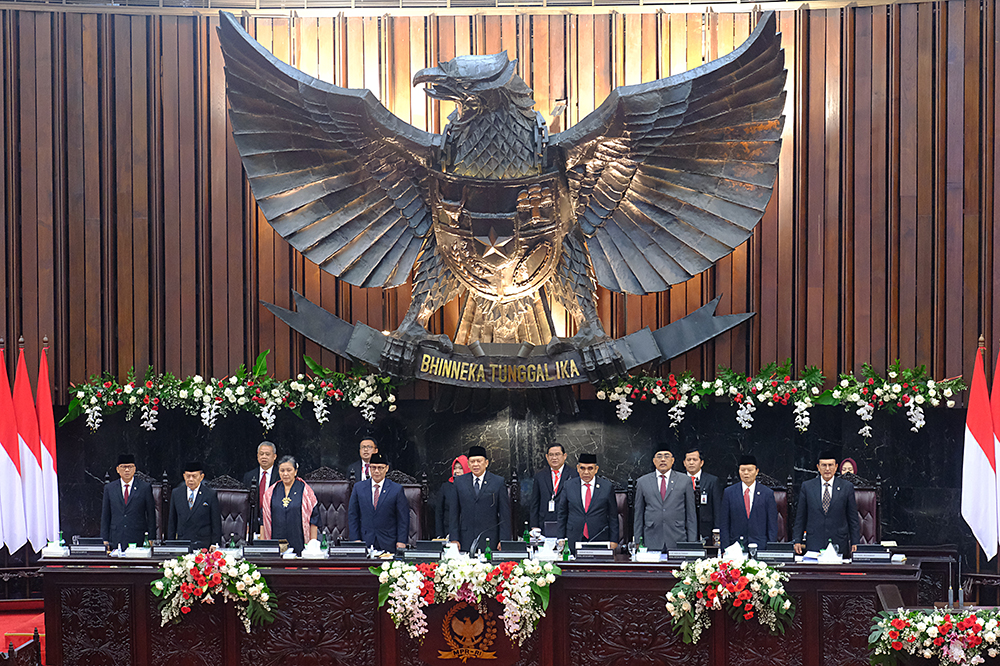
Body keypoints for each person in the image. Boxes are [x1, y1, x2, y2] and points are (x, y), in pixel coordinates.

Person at [793, 452, 861, 555]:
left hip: (839, 542)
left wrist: (855, 542)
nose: (827, 469)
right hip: (814, 543)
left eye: (830, 465)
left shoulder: (847, 487)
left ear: (836, 467)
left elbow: (853, 518)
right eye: (824, 465)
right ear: (818, 467)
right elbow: (800, 517)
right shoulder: (807, 487)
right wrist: (797, 540)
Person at [449, 445, 511, 552]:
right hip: (465, 538)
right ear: (468, 464)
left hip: (491, 539)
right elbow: (454, 513)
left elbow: (504, 514)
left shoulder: (498, 482)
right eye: (472, 462)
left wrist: (504, 539)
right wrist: (454, 538)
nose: (475, 464)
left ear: (486, 463)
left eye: (479, 461)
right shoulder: (459, 482)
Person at [633, 447, 696, 551]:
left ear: (673, 460)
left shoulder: (684, 480)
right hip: (651, 539)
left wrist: (692, 542)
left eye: (666, 456)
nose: (663, 459)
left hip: (677, 538)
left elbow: (691, 515)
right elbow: (638, 515)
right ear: (654, 461)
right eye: (659, 456)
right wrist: (637, 541)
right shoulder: (642, 482)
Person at [348, 452, 410, 551]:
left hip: (389, 542)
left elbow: (403, 518)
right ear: (369, 468)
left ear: (387, 468)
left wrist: (402, 541)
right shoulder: (358, 487)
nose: (376, 471)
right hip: (365, 541)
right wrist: (355, 539)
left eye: (380, 468)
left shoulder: (396, 489)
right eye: (373, 467)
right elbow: (353, 515)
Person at [558, 453, 619, 551]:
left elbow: (613, 516)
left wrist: (614, 540)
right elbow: (562, 514)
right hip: (574, 536)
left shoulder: (607, 487)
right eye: (582, 468)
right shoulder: (568, 486)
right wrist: (560, 537)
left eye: (590, 468)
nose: (586, 472)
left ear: (596, 469)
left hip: (599, 536)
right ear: (578, 468)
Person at [262, 456, 321, 554]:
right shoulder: (271, 492)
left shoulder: (306, 491)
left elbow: (314, 521)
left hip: (300, 542)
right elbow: (264, 520)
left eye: (289, 470)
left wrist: (312, 547)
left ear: (295, 471)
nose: (285, 474)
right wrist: (264, 546)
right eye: (282, 470)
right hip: (277, 541)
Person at [719, 454, 778, 549]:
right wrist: (725, 548)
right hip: (736, 547)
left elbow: (772, 525)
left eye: (750, 470)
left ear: (757, 471)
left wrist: (771, 548)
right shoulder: (729, 492)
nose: (746, 473)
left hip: (761, 546)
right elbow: (724, 523)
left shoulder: (767, 493)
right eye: (742, 470)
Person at [100, 454, 156, 551]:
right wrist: (104, 538)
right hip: (116, 536)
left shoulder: (144, 488)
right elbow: (106, 515)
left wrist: (151, 537)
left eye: (130, 467)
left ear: (134, 469)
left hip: (138, 536)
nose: (127, 470)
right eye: (123, 467)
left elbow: (151, 514)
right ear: (117, 469)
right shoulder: (110, 488)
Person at [166, 461, 222, 548]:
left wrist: (215, 543)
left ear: (201, 477)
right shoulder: (176, 493)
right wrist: (170, 543)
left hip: (203, 543)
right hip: (182, 542)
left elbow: (216, 522)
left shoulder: (210, 494)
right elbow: (172, 521)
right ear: (184, 476)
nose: (191, 479)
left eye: (194, 476)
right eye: (188, 476)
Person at [529, 443, 578, 537]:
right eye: (551, 455)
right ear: (547, 457)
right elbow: (535, 503)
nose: (554, 458)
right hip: (544, 523)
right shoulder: (540, 476)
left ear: (564, 456)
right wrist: (534, 526)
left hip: (568, 523)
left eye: (557, 454)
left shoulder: (574, 475)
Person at [683, 447, 724, 542]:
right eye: (688, 460)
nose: (691, 463)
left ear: (701, 462)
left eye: (695, 460)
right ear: (684, 463)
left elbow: (717, 507)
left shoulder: (712, 481)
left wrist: (717, 529)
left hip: (706, 528)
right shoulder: (678, 480)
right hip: (684, 527)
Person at [243, 441, 278, 528]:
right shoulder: (249, 476)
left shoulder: (280, 476)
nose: (264, 457)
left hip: (274, 521)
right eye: (261, 454)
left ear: (274, 456)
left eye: (267, 454)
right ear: (257, 456)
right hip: (253, 522)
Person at [435, 455, 470, 539]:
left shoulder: (472, 486)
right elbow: (439, 513)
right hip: (449, 531)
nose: (457, 471)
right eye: (455, 468)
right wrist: (440, 535)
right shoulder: (446, 487)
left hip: (468, 531)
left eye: (461, 468)